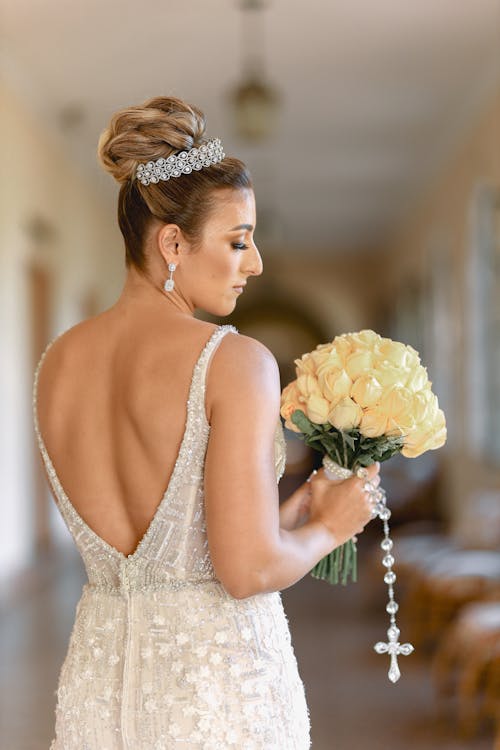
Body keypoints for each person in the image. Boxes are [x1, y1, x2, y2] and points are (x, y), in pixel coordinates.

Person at [32, 95, 380, 750]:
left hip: (99, 690)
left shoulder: (57, 363)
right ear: (172, 243)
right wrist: (331, 529)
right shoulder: (234, 360)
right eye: (238, 241)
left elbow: (174, 558)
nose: (256, 264)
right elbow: (244, 572)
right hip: (218, 696)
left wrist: (287, 518)